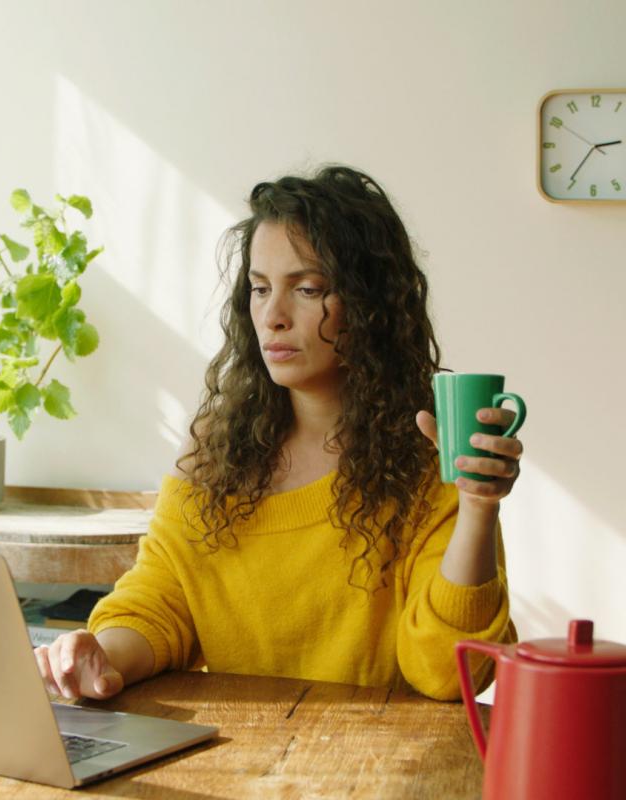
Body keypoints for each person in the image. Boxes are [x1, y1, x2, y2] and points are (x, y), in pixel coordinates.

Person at [34, 165, 520, 702]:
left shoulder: (430, 455)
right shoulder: (216, 454)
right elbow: (158, 601)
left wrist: (478, 508)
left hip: (377, 767)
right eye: (260, 288)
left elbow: (451, 672)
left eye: (307, 288)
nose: (273, 316)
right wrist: (99, 655)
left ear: (370, 305)